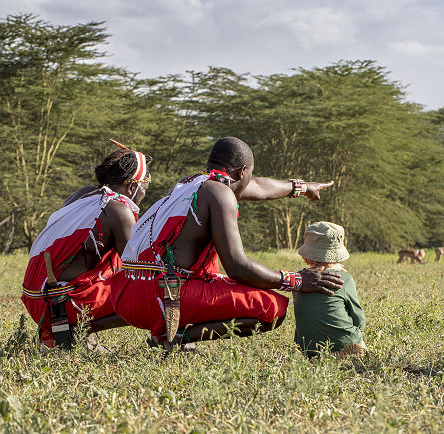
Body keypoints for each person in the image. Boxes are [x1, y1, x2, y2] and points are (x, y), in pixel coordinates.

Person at [110, 137, 343, 349]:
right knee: (272, 308)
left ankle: (172, 332)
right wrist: (297, 280)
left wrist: (301, 187)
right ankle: (175, 337)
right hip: (162, 298)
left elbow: (259, 186)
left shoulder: (191, 183)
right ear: (243, 171)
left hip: (126, 294)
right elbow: (237, 266)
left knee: (208, 266)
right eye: (250, 173)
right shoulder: (220, 193)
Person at [21, 142, 152, 348]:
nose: (145, 190)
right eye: (146, 183)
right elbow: (141, 271)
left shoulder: (83, 195)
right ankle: (76, 332)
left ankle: (78, 334)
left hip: (37, 298)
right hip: (59, 304)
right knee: (152, 291)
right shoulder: (120, 211)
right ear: (132, 187)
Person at [293, 222, 367, 358]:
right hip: (344, 343)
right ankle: (346, 350)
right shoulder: (344, 278)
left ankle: (318, 356)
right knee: (361, 347)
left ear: (305, 256)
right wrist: (359, 333)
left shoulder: (299, 279)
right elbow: (358, 317)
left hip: (307, 347)